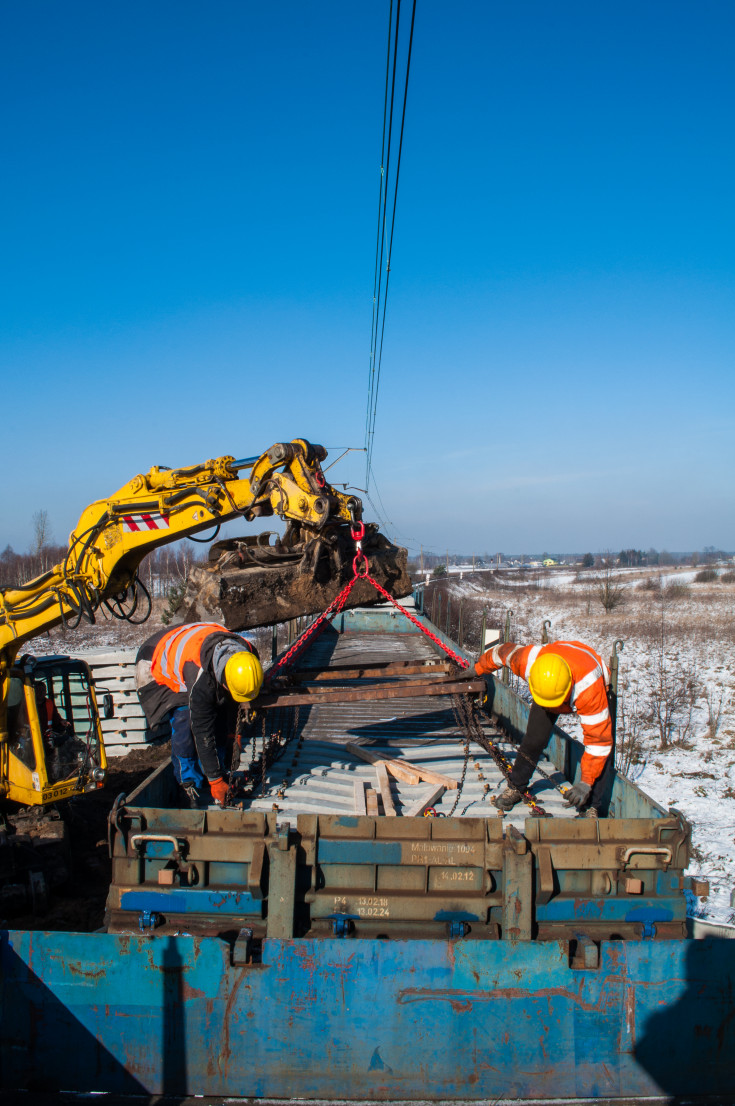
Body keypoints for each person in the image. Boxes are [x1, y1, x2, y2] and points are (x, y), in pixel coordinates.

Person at [472, 639, 613, 816]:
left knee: (602, 752)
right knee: (534, 738)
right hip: (551, 678)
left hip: (589, 673)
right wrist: (477, 669)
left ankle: (592, 805)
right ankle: (517, 786)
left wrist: (585, 782)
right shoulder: (530, 661)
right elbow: (500, 653)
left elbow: (599, 742)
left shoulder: (589, 688)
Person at [135, 621, 263, 807]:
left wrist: (232, 736)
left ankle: (215, 770)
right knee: (185, 721)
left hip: (193, 641)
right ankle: (189, 784)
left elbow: (234, 703)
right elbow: (202, 731)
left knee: (219, 714)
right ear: (224, 680)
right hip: (156, 658)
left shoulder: (248, 657)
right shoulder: (199, 678)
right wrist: (216, 780)